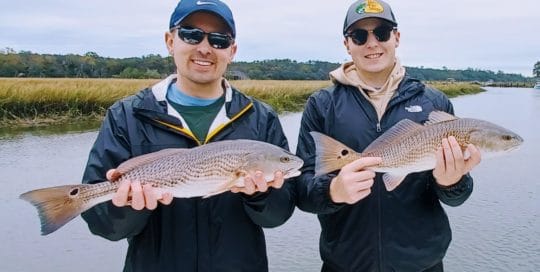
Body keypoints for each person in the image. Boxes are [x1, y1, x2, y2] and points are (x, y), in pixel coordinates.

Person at [80, 0, 295, 271]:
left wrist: (259, 196)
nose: (204, 48)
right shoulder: (127, 116)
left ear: (232, 51)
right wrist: (127, 207)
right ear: (170, 41)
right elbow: (103, 226)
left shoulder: (261, 118)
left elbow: (279, 215)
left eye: (219, 40)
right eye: (191, 34)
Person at [294, 0, 482, 271]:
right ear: (347, 44)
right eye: (359, 36)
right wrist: (333, 191)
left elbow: (457, 198)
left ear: (397, 37)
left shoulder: (435, 103)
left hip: (422, 264)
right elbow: (301, 191)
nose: (372, 43)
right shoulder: (322, 105)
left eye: (381, 32)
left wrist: (451, 182)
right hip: (344, 264)